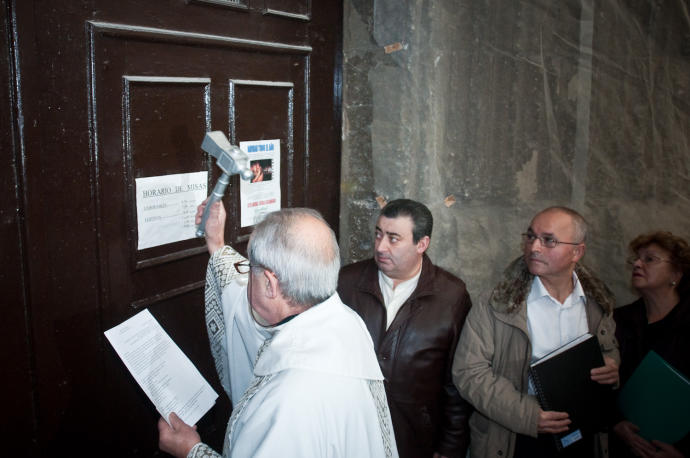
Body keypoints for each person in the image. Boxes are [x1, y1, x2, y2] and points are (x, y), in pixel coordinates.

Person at [157, 200, 398, 458]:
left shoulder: (287, 403)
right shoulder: (344, 322)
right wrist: (217, 244)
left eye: (250, 269)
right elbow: (242, 293)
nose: (247, 274)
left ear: (271, 284)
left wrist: (190, 450)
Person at [452, 206, 620, 458]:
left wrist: (611, 365)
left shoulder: (598, 303)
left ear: (577, 251)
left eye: (548, 240)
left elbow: (610, 349)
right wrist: (528, 415)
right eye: (530, 237)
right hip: (515, 439)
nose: (534, 248)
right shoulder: (497, 303)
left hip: (583, 433)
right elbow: (469, 372)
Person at [337, 198, 473, 458]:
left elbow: (456, 381)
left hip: (414, 438)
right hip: (352, 431)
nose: (380, 246)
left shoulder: (451, 296)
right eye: (378, 234)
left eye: (393, 238)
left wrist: (450, 447)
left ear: (422, 244)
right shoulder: (347, 283)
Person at [612, 231, 690, 458]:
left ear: (676, 273)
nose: (637, 263)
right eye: (636, 258)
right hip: (624, 446)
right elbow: (601, 387)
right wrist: (616, 423)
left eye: (649, 259)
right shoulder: (617, 321)